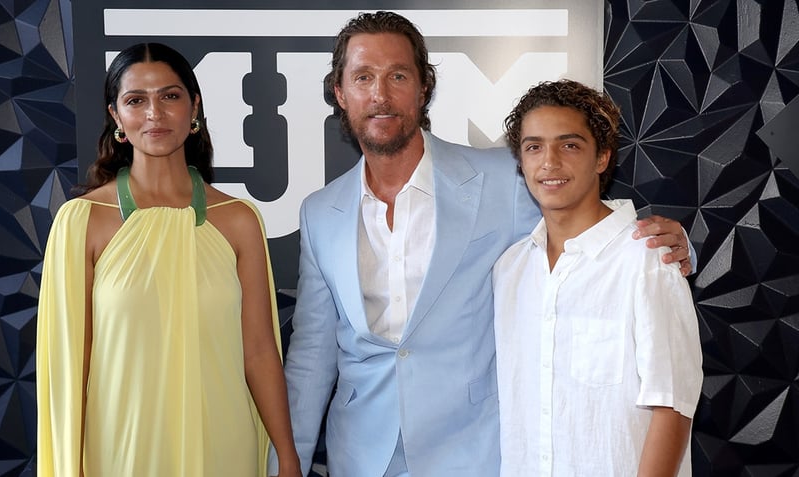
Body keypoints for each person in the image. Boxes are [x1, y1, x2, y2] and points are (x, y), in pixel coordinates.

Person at [272, 11, 695, 477]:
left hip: (473, 450)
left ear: (423, 88)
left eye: (397, 75)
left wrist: (669, 249)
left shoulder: (501, 177)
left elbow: (575, 217)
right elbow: (311, 357)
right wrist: (285, 463)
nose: (380, 94)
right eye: (363, 77)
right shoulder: (319, 213)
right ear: (340, 92)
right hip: (360, 454)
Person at [36, 42, 301, 477]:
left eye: (170, 96)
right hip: (120, 449)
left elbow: (259, 352)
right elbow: (69, 365)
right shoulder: (82, 221)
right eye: (136, 100)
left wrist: (287, 457)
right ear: (116, 117)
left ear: (194, 107)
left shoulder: (238, 220)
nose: (154, 113)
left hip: (223, 445)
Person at [494, 79, 703, 476]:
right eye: (534, 146)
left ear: (602, 157)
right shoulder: (510, 270)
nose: (549, 162)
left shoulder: (647, 260)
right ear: (520, 161)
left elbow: (673, 404)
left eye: (569, 145)